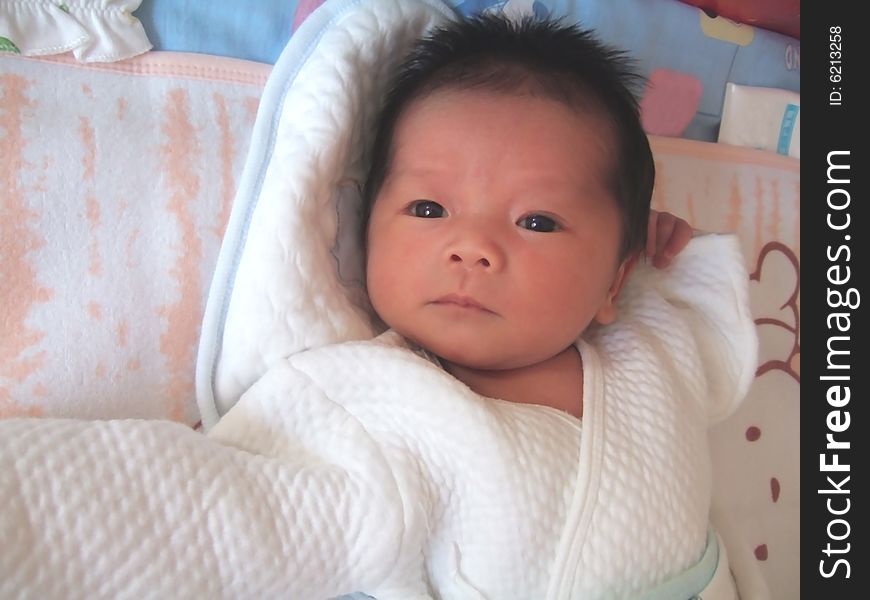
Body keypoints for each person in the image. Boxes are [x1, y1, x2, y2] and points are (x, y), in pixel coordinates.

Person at [0, 14, 756, 600]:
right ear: (366, 227)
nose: (473, 248)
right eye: (429, 208)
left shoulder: (653, 343)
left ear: (612, 282)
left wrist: (667, 257)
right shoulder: (384, 412)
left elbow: (718, 339)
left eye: (537, 222)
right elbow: (212, 517)